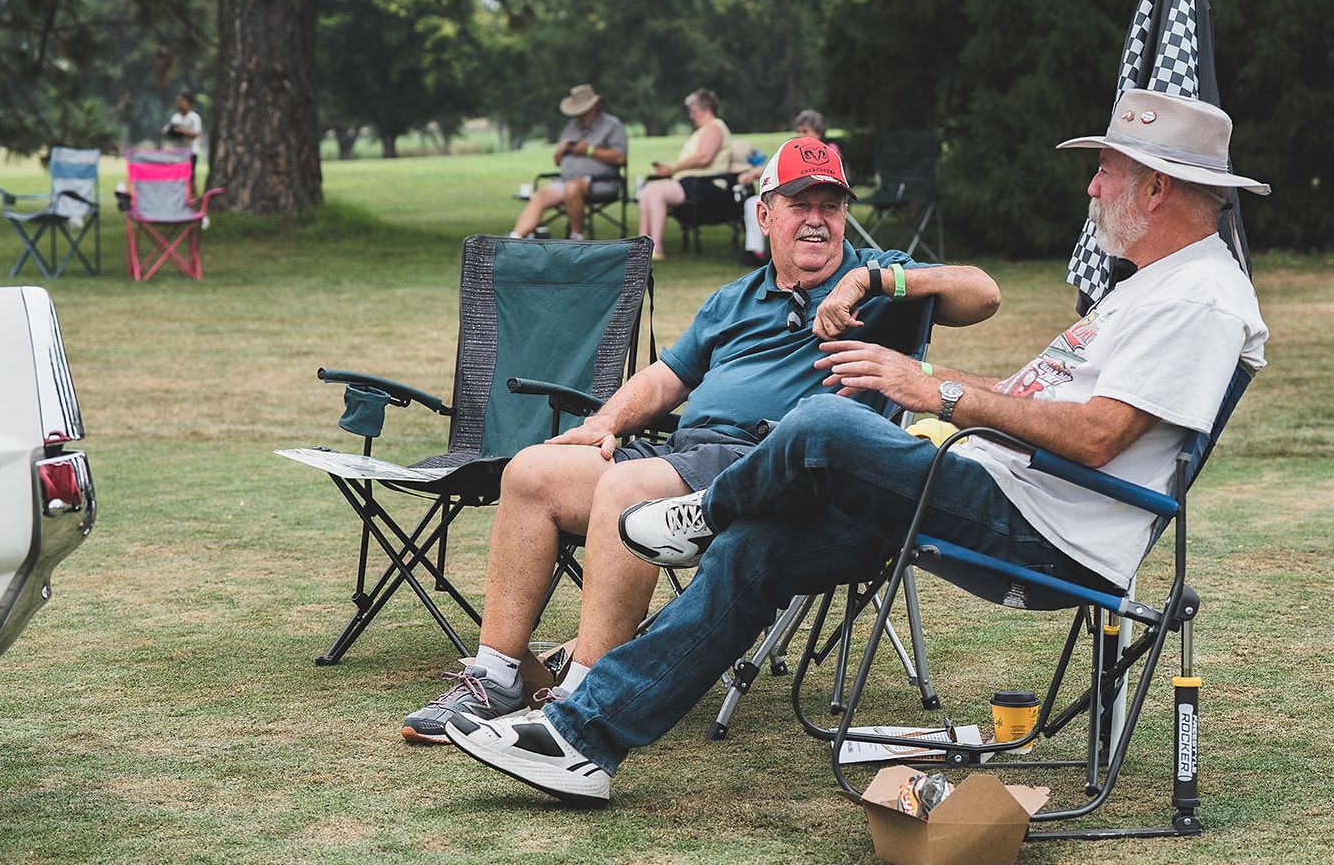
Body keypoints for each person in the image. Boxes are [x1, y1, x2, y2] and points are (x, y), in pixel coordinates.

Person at [440, 89, 1273, 806]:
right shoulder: (1154, 287)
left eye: (1108, 170)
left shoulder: (1200, 299)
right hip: (988, 482)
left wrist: (935, 387)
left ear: (1158, 187)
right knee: (756, 551)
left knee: (828, 421)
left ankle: (705, 514)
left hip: (1045, 529)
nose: (1094, 186)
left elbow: (1098, 437)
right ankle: (585, 737)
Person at [399, 135, 1002, 745]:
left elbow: (983, 292)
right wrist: (607, 422)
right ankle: (496, 676)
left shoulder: (883, 286)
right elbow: (666, 379)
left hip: (777, 467)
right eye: (800, 203)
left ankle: (580, 699)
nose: (817, 220)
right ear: (765, 214)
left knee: (629, 489)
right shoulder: (732, 300)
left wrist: (872, 281)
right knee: (530, 472)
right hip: (687, 455)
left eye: (831, 205)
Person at [511, 84, 629, 241]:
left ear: (594, 106)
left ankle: (575, 238)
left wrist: (589, 151)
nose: (580, 115)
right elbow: (557, 161)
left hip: (602, 182)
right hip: (566, 180)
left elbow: (620, 158)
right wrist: (562, 150)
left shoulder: (612, 125)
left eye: (583, 111)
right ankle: (514, 238)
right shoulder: (572, 126)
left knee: (573, 188)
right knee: (539, 196)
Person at [636, 89, 732, 260]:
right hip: (692, 181)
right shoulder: (704, 130)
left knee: (656, 192)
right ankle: (640, 245)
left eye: (693, 111)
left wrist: (673, 167)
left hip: (706, 184)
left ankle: (656, 248)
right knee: (647, 190)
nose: (691, 116)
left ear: (703, 109)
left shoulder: (715, 128)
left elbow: (704, 158)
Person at [736, 109, 834, 267]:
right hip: (788, 195)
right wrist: (754, 172)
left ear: (819, 131)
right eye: (798, 131)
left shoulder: (829, 150)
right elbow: (777, 168)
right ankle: (756, 251)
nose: (801, 136)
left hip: (813, 197)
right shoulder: (793, 148)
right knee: (752, 203)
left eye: (805, 131)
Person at [162, 91, 203, 187]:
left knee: (191, 175)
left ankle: (193, 198)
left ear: (189, 103)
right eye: (178, 101)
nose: (180, 103)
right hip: (178, 152)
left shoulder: (194, 117)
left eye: (182, 100)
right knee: (177, 176)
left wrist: (181, 130)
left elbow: (195, 134)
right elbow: (166, 130)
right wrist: (172, 131)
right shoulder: (175, 117)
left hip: (191, 152)